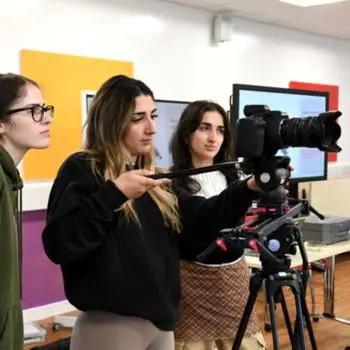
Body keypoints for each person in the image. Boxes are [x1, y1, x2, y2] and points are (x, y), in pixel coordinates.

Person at [41, 75, 261, 350]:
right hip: (111, 327)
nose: (151, 128)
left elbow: (199, 222)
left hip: (161, 326)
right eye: (138, 119)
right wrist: (113, 195)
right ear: (113, 121)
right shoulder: (83, 169)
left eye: (153, 116)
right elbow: (60, 244)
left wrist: (248, 188)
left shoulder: (154, 180)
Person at [170, 100, 266, 350]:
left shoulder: (233, 175)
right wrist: (247, 189)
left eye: (220, 130)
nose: (214, 137)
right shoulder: (173, 182)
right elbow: (206, 217)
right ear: (186, 133)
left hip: (234, 282)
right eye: (205, 128)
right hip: (193, 288)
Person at [0, 73, 54, 350]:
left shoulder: (8, 179)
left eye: (45, 109)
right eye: (34, 111)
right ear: (2, 122)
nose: (47, 118)